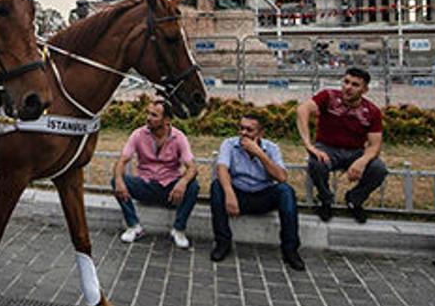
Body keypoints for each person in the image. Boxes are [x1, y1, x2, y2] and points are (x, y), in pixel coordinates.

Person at [209, 112, 305, 271]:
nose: (243, 133)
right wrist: (230, 194)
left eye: (249, 130)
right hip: (238, 194)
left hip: (263, 195)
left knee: (286, 191)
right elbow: (222, 169)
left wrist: (259, 153)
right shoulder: (229, 144)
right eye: (241, 128)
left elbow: (282, 177)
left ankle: (290, 250)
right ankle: (222, 243)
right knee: (217, 187)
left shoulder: (272, 148)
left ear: (260, 133)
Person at [297, 67, 386, 224]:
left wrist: (362, 161)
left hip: (356, 151)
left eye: (355, 84)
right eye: (346, 82)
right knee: (316, 163)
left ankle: (355, 199)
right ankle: (326, 200)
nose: (348, 87)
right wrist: (309, 144)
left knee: (378, 169)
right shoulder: (328, 96)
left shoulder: (372, 111)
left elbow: (375, 145)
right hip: (327, 148)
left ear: (365, 89)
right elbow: (302, 110)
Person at [111, 99, 198, 249]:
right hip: (145, 185)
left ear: (167, 120)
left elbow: (192, 168)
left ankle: (178, 229)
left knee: (193, 186)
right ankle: (134, 226)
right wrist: (119, 180)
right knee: (116, 181)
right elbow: (122, 161)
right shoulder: (138, 134)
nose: (148, 118)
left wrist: (182, 183)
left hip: (170, 189)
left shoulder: (179, 137)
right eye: (148, 113)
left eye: (154, 115)